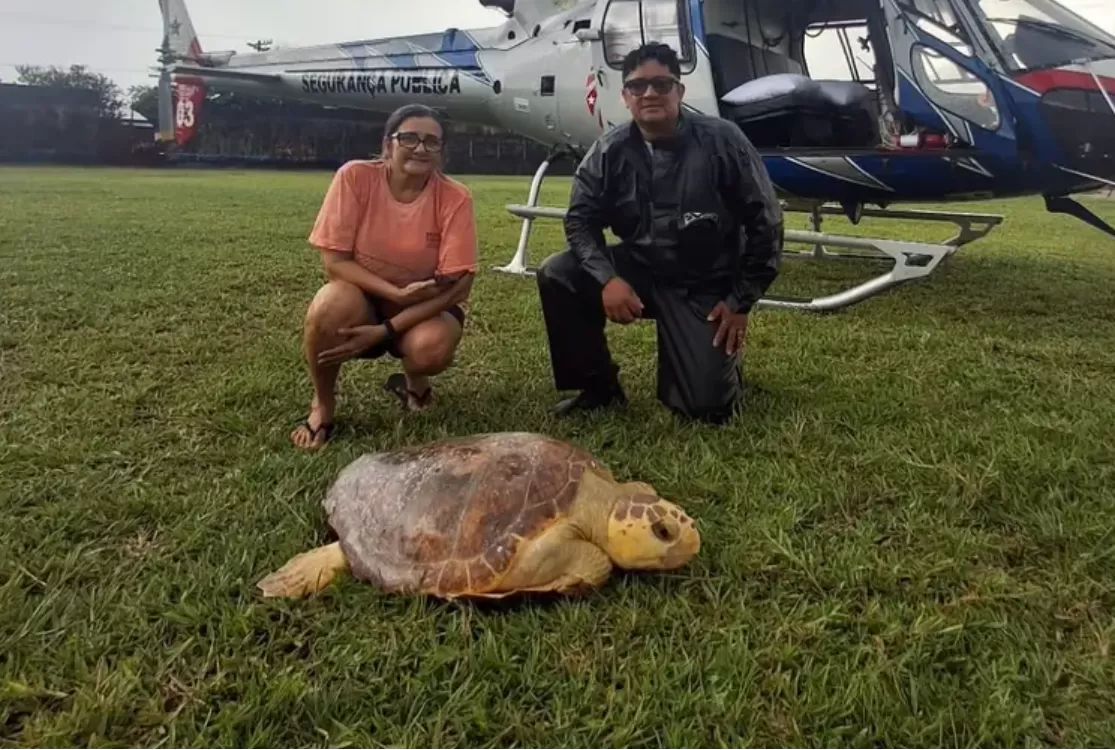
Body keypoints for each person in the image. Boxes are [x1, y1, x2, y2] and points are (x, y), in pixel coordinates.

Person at [535, 41, 784, 425]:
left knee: (706, 410)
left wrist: (739, 301)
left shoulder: (723, 140)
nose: (649, 93)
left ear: (680, 91)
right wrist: (608, 279)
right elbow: (580, 221)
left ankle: (722, 369)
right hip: (641, 269)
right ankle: (598, 387)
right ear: (625, 96)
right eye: (638, 86)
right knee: (559, 273)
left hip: (703, 282)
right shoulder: (608, 150)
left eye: (661, 84)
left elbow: (765, 223)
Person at [291, 103, 478, 450]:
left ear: (441, 152)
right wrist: (394, 292)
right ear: (387, 144)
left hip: (426, 307)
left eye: (431, 142)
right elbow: (334, 262)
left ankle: (414, 381)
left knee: (431, 348)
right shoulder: (355, 177)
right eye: (409, 138)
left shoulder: (455, 198)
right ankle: (323, 403)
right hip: (363, 299)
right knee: (327, 305)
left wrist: (387, 328)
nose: (420, 148)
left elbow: (457, 288)